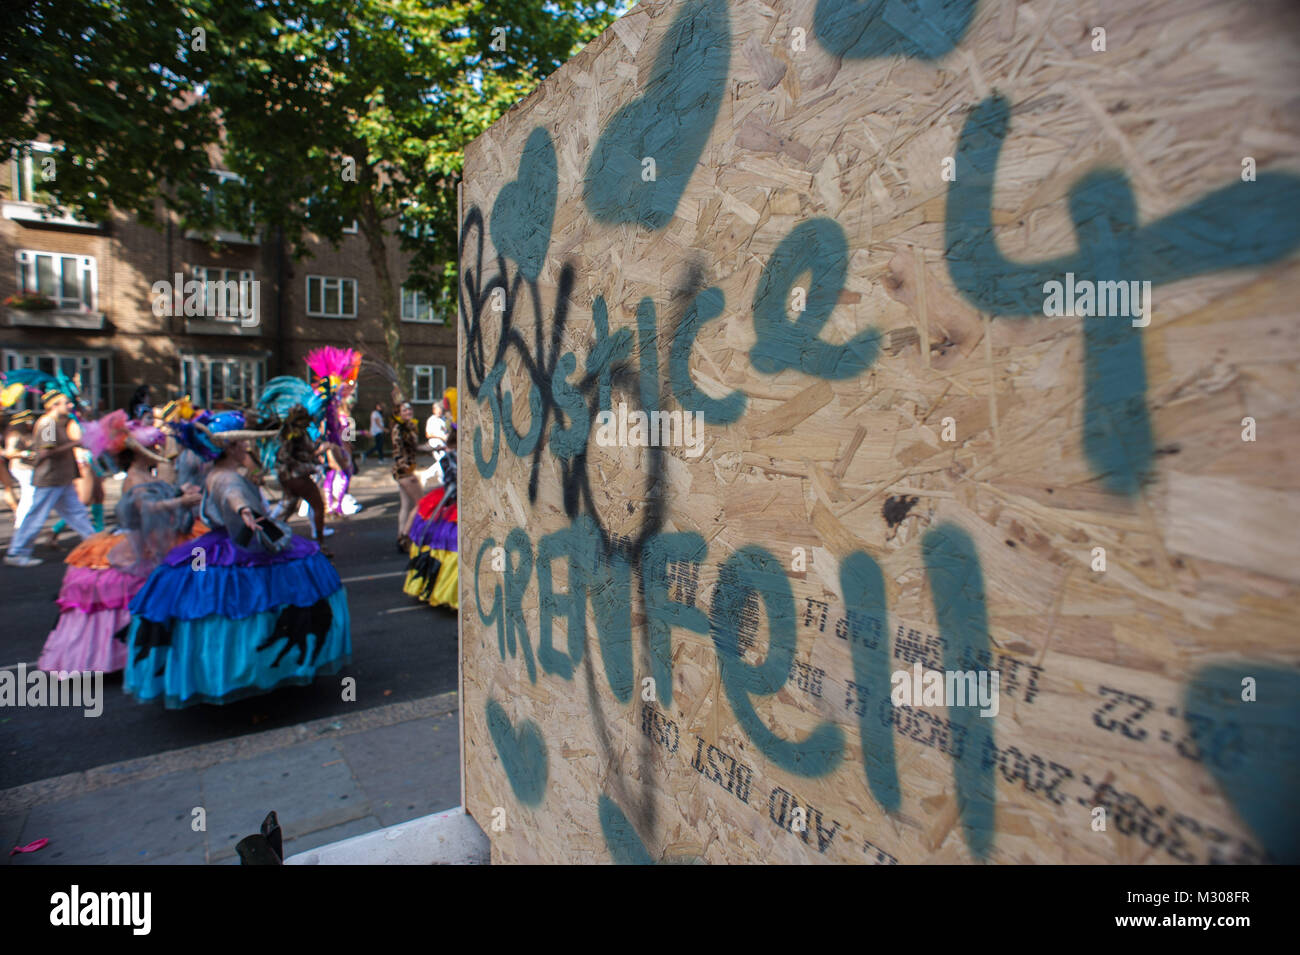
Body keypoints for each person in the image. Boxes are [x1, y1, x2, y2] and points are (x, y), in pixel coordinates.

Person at [121, 417, 351, 708]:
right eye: (242, 441)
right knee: (250, 607)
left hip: (221, 544)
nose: (247, 444)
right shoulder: (227, 476)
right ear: (230, 447)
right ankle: (251, 672)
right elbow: (233, 494)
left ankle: (229, 670)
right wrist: (243, 510)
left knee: (221, 609)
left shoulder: (220, 470)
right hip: (238, 546)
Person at [38, 412, 205, 675]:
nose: (159, 450)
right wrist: (180, 502)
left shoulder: (145, 475)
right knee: (175, 573)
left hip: (153, 537)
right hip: (138, 543)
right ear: (138, 453)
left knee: (196, 565)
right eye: (152, 447)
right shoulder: (135, 478)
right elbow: (147, 508)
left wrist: (181, 492)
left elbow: (160, 496)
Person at [4, 390, 97, 567]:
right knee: (37, 515)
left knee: (77, 514)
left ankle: (94, 544)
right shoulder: (48, 423)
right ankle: (17, 552)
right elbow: (46, 452)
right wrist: (74, 443)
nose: (70, 405)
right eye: (66, 403)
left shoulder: (56, 423)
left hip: (61, 477)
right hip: (50, 477)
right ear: (54, 405)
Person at [403, 422, 458, 610]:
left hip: (447, 502)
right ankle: (449, 594)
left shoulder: (448, 456)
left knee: (435, 538)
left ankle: (436, 588)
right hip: (457, 503)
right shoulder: (462, 456)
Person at [391, 400, 422, 551]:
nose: (408, 412)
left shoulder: (408, 427)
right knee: (421, 503)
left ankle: (400, 535)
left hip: (405, 470)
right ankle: (405, 536)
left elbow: (415, 447)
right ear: (399, 413)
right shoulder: (400, 428)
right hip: (404, 471)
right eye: (404, 410)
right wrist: (408, 473)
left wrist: (441, 446)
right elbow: (398, 453)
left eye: (409, 410)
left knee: (405, 505)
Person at [2, 410, 36, 523]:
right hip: (20, 468)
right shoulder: (14, 435)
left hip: (26, 468)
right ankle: (21, 520)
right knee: (28, 493)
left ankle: (21, 518)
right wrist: (25, 454)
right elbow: (9, 453)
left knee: (28, 493)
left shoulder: (27, 434)